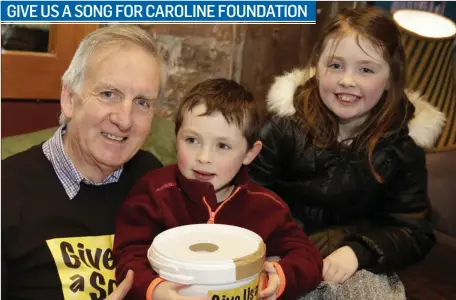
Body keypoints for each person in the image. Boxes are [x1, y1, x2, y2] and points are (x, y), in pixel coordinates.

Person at [248, 7, 446, 299]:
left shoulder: (403, 146)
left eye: (366, 69)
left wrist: (359, 251)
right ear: (317, 66)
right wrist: (287, 247)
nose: (347, 80)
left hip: (358, 264)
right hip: (283, 250)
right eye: (336, 65)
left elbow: (413, 230)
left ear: (391, 77)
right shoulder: (285, 126)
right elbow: (250, 196)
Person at [113, 78, 323, 300]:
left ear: (249, 154)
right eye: (192, 140)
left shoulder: (266, 207)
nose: (204, 158)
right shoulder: (154, 192)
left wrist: (282, 276)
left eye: (223, 146)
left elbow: (307, 256)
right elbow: (128, 254)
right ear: (177, 138)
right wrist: (153, 289)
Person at [2, 25, 165, 300]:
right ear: (69, 99)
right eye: (108, 94)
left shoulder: (153, 180)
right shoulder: (7, 191)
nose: (124, 119)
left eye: (142, 102)